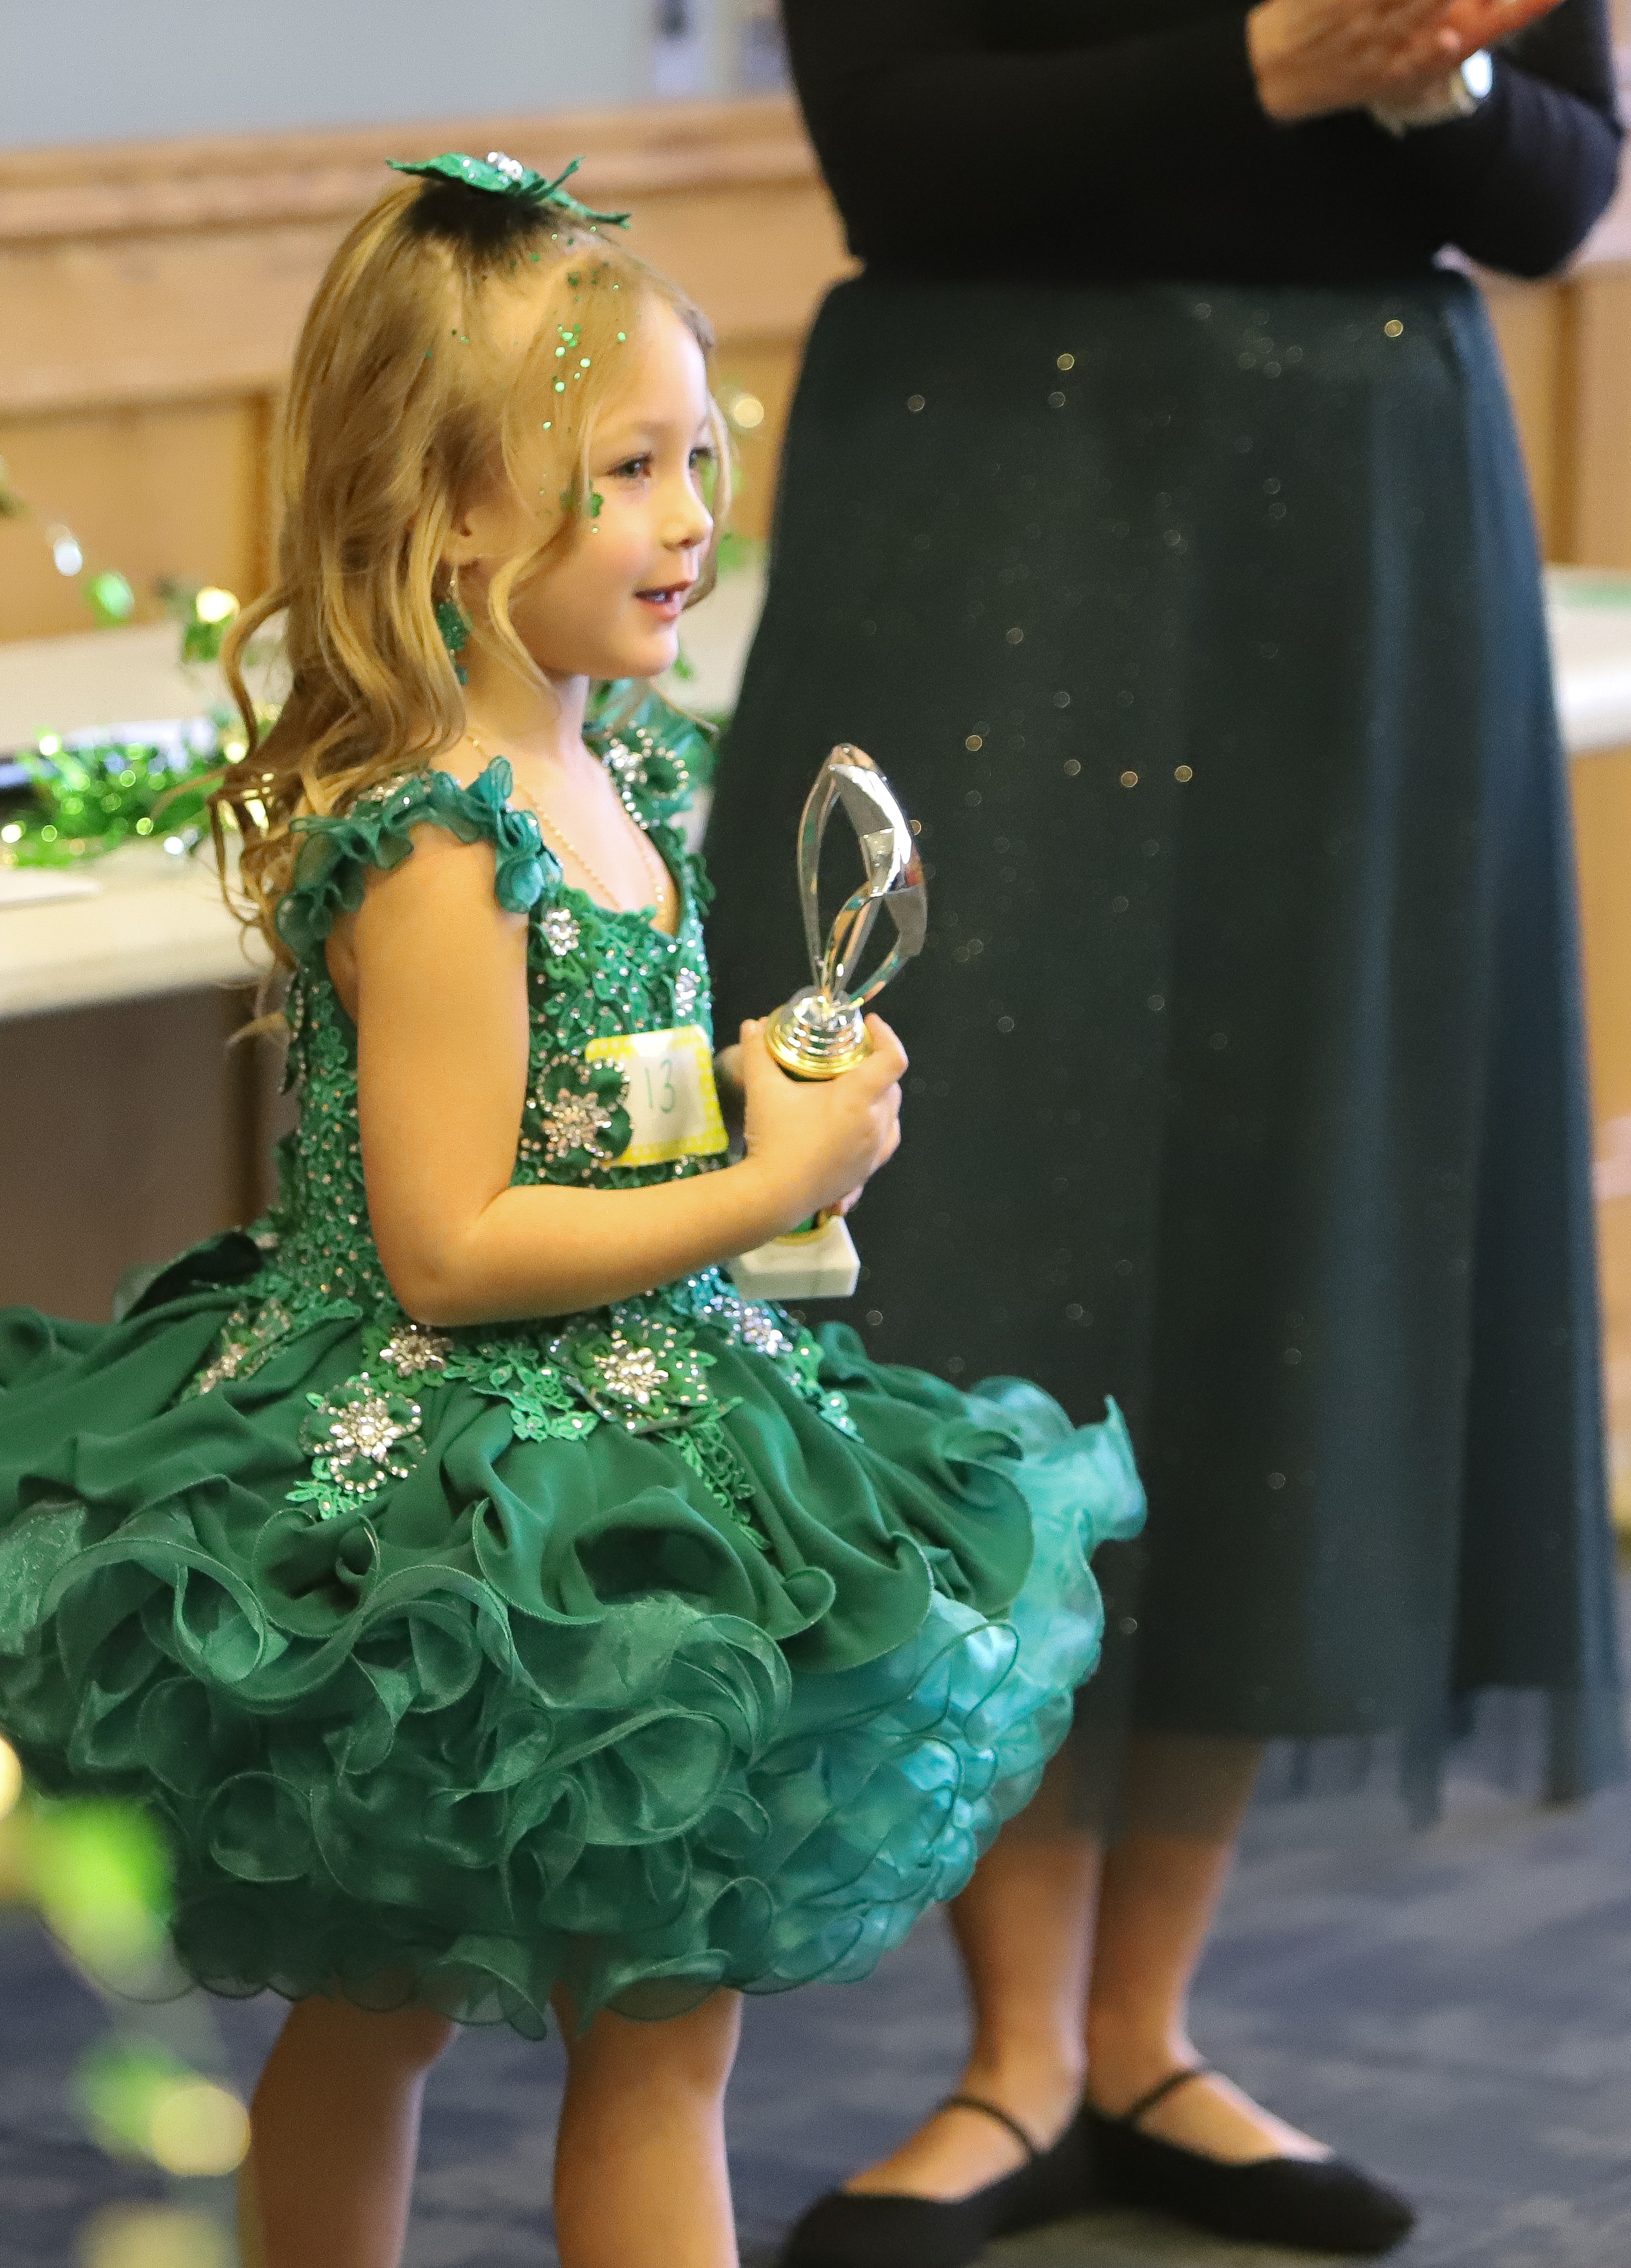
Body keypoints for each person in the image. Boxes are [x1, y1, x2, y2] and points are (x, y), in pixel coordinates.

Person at [0, 156, 1143, 2268]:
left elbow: (580, 1109)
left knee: (653, 2031)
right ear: (447, 511)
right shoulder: (445, 838)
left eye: (703, 456)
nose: (691, 515)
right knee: (382, 2011)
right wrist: (760, 1184)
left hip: (641, 1454)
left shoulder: (614, 770)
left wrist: (739, 1087)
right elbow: (450, 1243)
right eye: (625, 470)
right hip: (433, 1498)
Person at [703, 0, 1625, 2260]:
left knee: (1282, 1233)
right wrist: (1278, 65)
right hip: (989, 504)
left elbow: (1564, 189)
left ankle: (1145, 2033)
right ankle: (1010, 2053)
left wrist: (1441, 84)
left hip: (1361, 534)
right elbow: (894, 150)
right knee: (971, 1227)